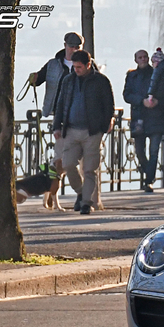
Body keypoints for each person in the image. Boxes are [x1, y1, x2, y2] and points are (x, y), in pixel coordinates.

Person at [53, 50, 115, 214]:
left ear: (88, 65)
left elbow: (109, 105)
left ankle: (86, 202)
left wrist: (105, 124)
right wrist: (56, 126)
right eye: (74, 66)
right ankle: (81, 193)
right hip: (71, 130)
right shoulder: (68, 81)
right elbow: (61, 104)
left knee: (89, 169)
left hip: (92, 132)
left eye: (79, 67)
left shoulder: (101, 81)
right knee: (67, 164)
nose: (76, 70)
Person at [123, 48, 164, 193]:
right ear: (136, 60)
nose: (143, 59)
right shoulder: (132, 76)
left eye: (145, 57)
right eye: (140, 57)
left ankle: (149, 181)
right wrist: (142, 101)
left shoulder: (159, 73)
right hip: (139, 118)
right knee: (139, 152)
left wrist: (157, 101)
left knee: (154, 152)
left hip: (156, 117)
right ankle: (148, 173)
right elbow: (127, 95)